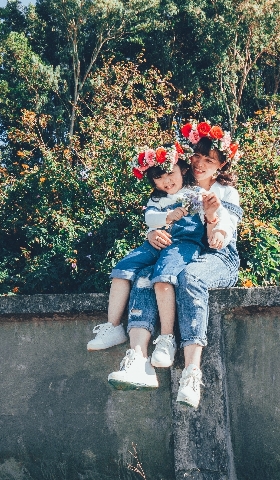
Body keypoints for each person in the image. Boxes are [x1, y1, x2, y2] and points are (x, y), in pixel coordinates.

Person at [108, 121, 242, 408]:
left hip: (217, 257)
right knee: (145, 273)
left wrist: (217, 229)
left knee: (191, 277)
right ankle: (139, 359)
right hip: (180, 252)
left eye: (209, 160)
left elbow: (224, 228)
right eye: (197, 156)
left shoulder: (224, 192)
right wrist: (153, 233)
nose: (200, 163)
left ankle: (192, 373)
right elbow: (162, 217)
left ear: (220, 167)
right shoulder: (180, 184)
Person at [89, 143, 210, 389]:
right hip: (158, 240)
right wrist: (164, 219)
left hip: (184, 243)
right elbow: (149, 219)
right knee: (123, 269)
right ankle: (113, 326)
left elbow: (207, 218)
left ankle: (166, 337)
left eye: (171, 174)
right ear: (152, 182)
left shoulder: (194, 192)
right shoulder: (156, 199)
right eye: (159, 178)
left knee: (162, 276)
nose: (167, 181)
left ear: (182, 169)